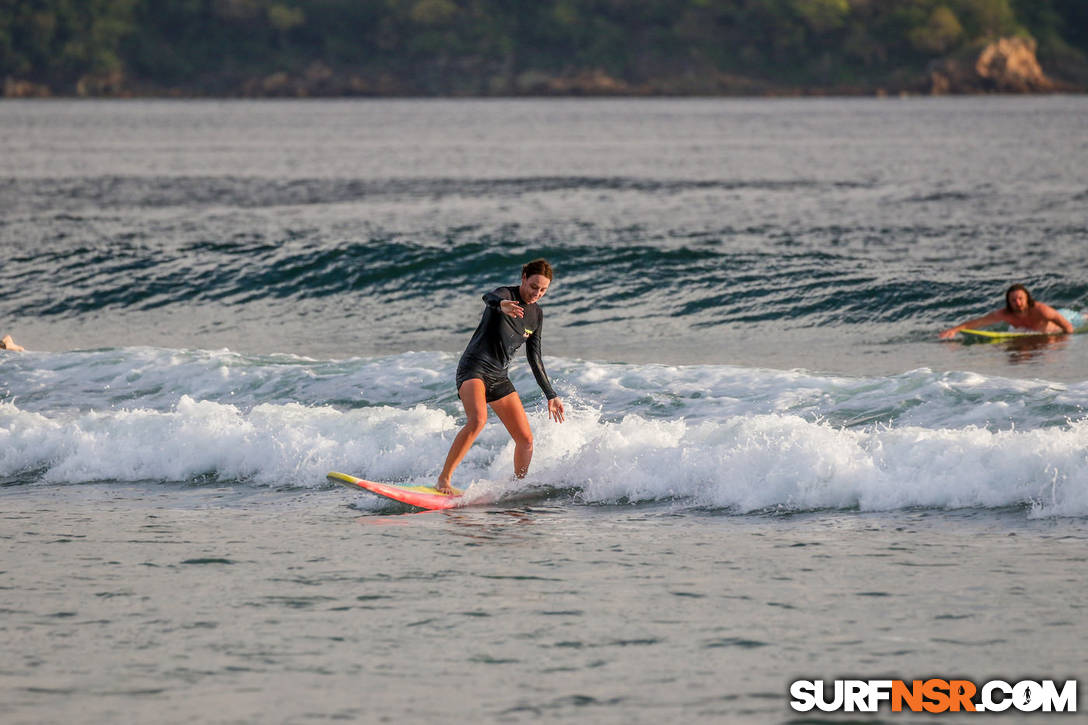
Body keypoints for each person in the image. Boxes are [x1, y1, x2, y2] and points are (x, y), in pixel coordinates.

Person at [437, 259, 565, 493]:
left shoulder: (536, 315)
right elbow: (488, 297)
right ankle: (444, 480)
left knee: (526, 440)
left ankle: (517, 487)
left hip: (498, 376)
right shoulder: (505, 295)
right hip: (474, 368)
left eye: (543, 289)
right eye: (534, 286)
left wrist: (551, 394)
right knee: (478, 420)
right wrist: (502, 304)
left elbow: (534, 357)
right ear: (524, 277)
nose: (537, 293)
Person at [938, 284, 1074, 339]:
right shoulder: (1004, 314)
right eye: (1013, 300)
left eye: (1020, 299)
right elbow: (978, 322)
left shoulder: (1042, 310)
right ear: (1008, 301)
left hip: (1068, 318)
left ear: (1027, 298)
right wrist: (954, 330)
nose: (1018, 303)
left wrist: (1059, 340)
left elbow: (1068, 327)